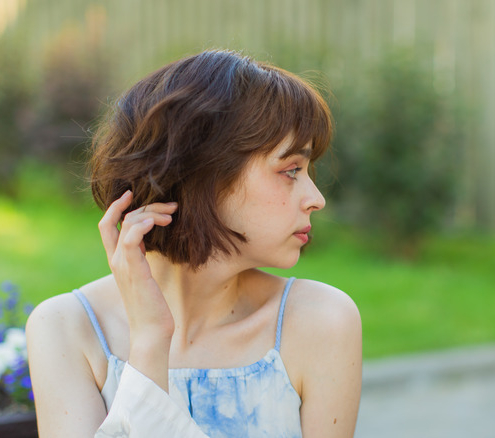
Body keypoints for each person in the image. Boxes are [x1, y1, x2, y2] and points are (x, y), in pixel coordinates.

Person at [26, 49, 362, 438]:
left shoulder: (319, 322)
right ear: (202, 175)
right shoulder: (68, 328)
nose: (316, 198)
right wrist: (150, 340)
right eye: (290, 171)